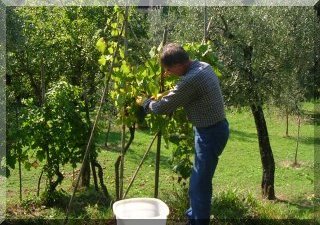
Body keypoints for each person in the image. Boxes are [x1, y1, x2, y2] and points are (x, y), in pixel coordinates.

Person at [143, 43, 229, 225]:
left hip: (210, 134)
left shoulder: (190, 80)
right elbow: (182, 94)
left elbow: (162, 107)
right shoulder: (203, 66)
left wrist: (146, 104)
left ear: (178, 65)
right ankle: (193, 218)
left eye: (168, 70)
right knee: (198, 181)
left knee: (200, 185)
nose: (168, 74)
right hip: (210, 130)